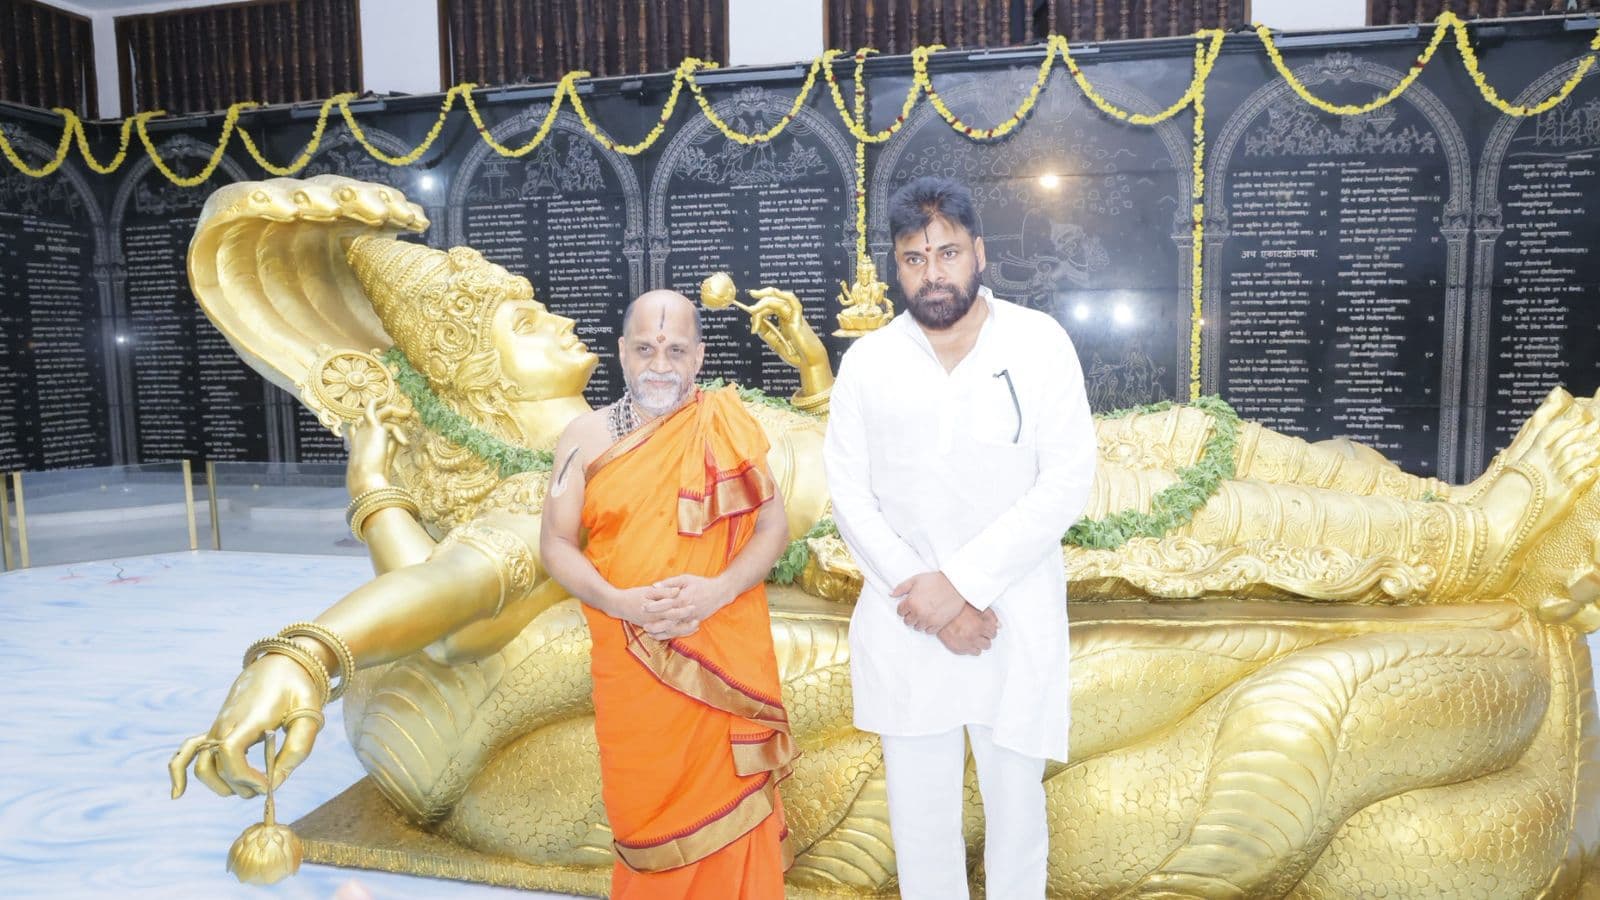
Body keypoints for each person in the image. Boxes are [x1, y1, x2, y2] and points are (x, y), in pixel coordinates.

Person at [822, 175, 1097, 898]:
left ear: (979, 253)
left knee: (1017, 821)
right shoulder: (868, 363)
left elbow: (1065, 482)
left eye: (947, 253)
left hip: (1012, 619)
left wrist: (963, 587)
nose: (933, 272)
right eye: (915, 258)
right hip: (907, 623)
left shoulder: (1038, 344)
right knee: (921, 825)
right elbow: (850, 496)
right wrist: (936, 601)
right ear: (897, 267)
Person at [539, 289, 796, 898]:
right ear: (623, 353)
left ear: (699, 356)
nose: (661, 363)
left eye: (677, 349)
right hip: (631, 661)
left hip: (720, 654)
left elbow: (773, 526)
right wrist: (618, 600)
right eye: (648, 348)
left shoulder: (728, 427)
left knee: (731, 808)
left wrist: (719, 591)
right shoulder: (584, 437)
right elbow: (555, 543)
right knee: (643, 813)